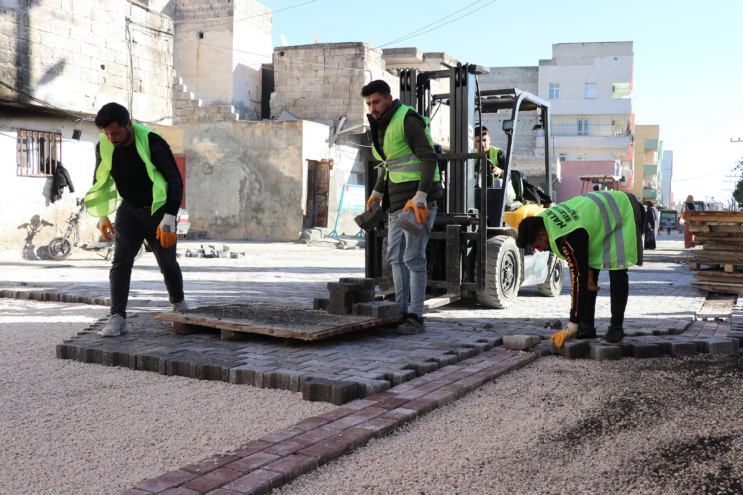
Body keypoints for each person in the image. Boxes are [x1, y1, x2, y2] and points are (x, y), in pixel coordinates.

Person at [84, 102, 188, 337]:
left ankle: (179, 306)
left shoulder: (153, 142)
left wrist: (169, 218)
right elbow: (99, 180)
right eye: (107, 134)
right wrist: (102, 216)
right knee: (120, 262)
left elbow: (175, 180)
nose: (112, 138)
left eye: (116, 133)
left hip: (158, 210)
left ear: (128, 125)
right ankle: (117, 317)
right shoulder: (105, 145)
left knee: (168, 264)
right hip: (129, 210)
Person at [362, 80, 442, 335]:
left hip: (417, 202)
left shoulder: (406, 119)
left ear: (388, 98)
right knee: (394, 256)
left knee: (413, 258)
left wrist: (420, 196)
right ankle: (401, 311)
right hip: (397, 202)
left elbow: (429, 157)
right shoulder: (381, 125)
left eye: (376, 102)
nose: (373, 107)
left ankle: (416, 317)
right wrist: (376, 193)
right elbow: (389, 164)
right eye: (368, 104)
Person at [516, 190, 644, 346]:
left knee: (617, 270)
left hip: (625, 209)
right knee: (589, 272)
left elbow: (578, 281)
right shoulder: (544, 220)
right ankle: (587, 327)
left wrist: (571, 326)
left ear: (543, 234)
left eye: (537, 246)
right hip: (599, 217)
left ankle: (616, 329)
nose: (539, 251)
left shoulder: (567, 237)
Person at [473, 126, 515, 203]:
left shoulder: (500, 153)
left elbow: (508, 174)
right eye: (479, 141)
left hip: (503, 193)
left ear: (489, 140)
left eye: (484, 140)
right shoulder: (472, 157)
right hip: (483, 192)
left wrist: (500, 171)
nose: (482, 143)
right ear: (475, 143)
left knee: (498, 182)